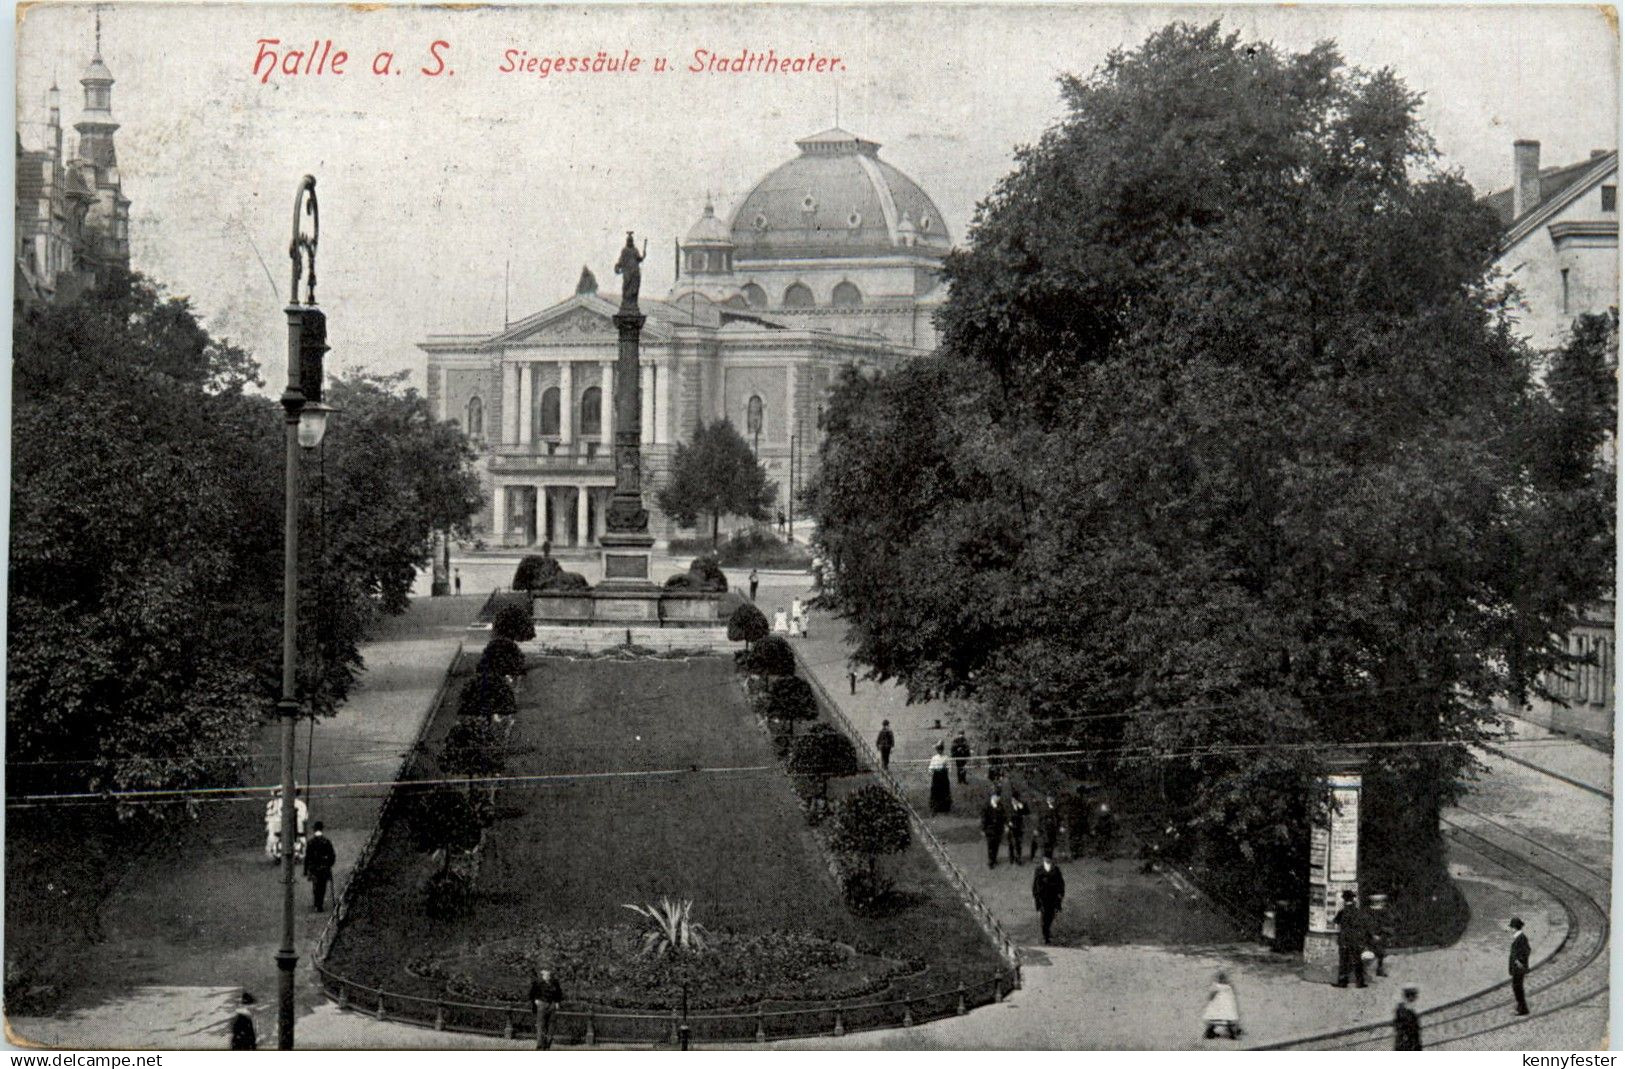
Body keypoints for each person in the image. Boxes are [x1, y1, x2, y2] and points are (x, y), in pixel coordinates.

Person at [1333, 889, 1369, 988]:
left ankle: (1342, 982)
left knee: (1344, 962)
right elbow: (1362, 924)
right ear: (1353, 900)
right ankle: (1360, 982)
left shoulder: (1342, 912)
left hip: (1344, 939)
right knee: (1357, 960)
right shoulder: (1357, 912)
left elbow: (1335, 921)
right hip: (1355, 939)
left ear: (1344, 900)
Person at [1032, 854, 1065, 944]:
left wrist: (1061, 893)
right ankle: (1045, 935)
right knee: (1044, 915)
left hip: (1053, 896)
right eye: (1046, 858)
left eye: (1049, 858)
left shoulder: (1056, 869)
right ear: (1043, 858)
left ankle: (1047, 930)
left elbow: (1061, 882)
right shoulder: (1039, 869)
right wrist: (1036, 896)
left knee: (1051, 915)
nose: (1047, 859)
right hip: (1043, 896)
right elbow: (1035, 884)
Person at [304, 821, 337, 911]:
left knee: (315, 886)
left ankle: (317, 903)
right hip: (324, 867)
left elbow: (307, 857)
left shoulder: (311, 842)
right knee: (322, 886)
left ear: (314, 829)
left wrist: (305, 869)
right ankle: (320, 904)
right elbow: (332, 855)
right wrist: (329, 864)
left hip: (314, 868)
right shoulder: (326, 842)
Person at [529, 966, 564, 1050]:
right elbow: (532, 993)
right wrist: (536, 1000)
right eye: (545, 974)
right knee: (541, 1025)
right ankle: (540, 1044)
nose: (547, 976)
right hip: (542, 1004)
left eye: (549, 974)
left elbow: (559, 993)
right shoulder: (538, 983)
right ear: (543, 975)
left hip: (552, 1005)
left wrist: (557, 1002)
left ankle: (548, 1044)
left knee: (551, 1026)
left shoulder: (555, 983)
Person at [1202, 971, 1242, 1040]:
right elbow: (1232, 997)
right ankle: (1232, 1033)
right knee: (1228, 1020)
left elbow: (1211, 996)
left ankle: (1209, 1032)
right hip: (1226, 1007)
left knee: (1214, 1019)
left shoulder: (1216, 986)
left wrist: (1210, 1000)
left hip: (1217, 1007)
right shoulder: (1229, 987)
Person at [1508, 916, 1531, 1015]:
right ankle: (1520, 1006)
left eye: (1511, 927)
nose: (1510, 929)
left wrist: (1520, 961)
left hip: (1519, 968)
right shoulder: (1518, 937)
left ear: (1514, 928)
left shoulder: (1521, 938)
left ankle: (1523, 1008)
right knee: (1516, 987)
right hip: (1516, 968)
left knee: (1517, 987)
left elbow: (1527, 950)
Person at [981, 789, 1008, 868]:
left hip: (998, 829)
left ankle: (994, 858)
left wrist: (1005, 825)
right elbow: (984, 818)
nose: (998, 798)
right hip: (990, 829)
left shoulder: (1000, 805)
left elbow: (1004, 816)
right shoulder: (987, 806)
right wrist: (983, 829)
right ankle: (991, 861)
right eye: (997, 797)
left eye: (999, 797)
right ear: (993, 797)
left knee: (996, 845)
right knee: (990, 845)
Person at [1368, 893, 1392, 977]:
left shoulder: (1383, 911)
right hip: (1375, 935)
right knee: (1374, 952)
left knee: (1380, 953)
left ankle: (1379, 969)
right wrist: (1373, 934)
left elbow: (1388, 922)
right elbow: (1369, 924)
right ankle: (1377, 969)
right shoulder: (1372, 912)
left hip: (1380, 934)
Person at [1394, 984, 1422, 1049]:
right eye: (1415, 995)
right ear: (1411, 996)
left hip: (1405, 1041)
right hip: (1408, 1043)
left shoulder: (1400, 1008)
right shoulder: (1406, 1010)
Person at [1036, 793, 1063, 860]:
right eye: (1049, 798)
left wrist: (1060, 826)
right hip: (1045, 828)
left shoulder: (1055, 807)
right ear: (1047, 798)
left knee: (1052, 843)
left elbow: (1059, 817)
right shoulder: (1043, 806)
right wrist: (1038, 828)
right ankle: (1045, 857)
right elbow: (1041, 817)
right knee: (1046, 843)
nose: (1051, 799)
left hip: (1053, 828)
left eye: (1052, 798)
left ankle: (1050, 857)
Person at [928, 743, 952, 814]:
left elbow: (949, 767)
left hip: (943, 776)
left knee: (944, 791)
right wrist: (931, 771)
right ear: (937, 750)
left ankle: (945, 808)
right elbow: (931, 767)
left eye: (941, 749)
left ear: (942, 749)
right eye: (938, 749)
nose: (939, 751)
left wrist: (946, 770)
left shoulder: (946, 758)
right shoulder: (934, 758)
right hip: (936, 776)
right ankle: (935, 808)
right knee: (935, 791)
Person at [1006, 789, 1029, 864]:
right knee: (1011, 843)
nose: (1014, 801)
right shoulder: (1008, 806)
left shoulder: (1022, 805)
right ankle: (1011, 858)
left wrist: (1021, 807)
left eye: (1015, 799)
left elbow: (1027, 812)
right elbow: (1004, 815)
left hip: (1019, 827)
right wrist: (1008, 823)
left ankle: (1018, 858)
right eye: (1012, 799)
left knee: (1018, 843)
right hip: (1010, 828)